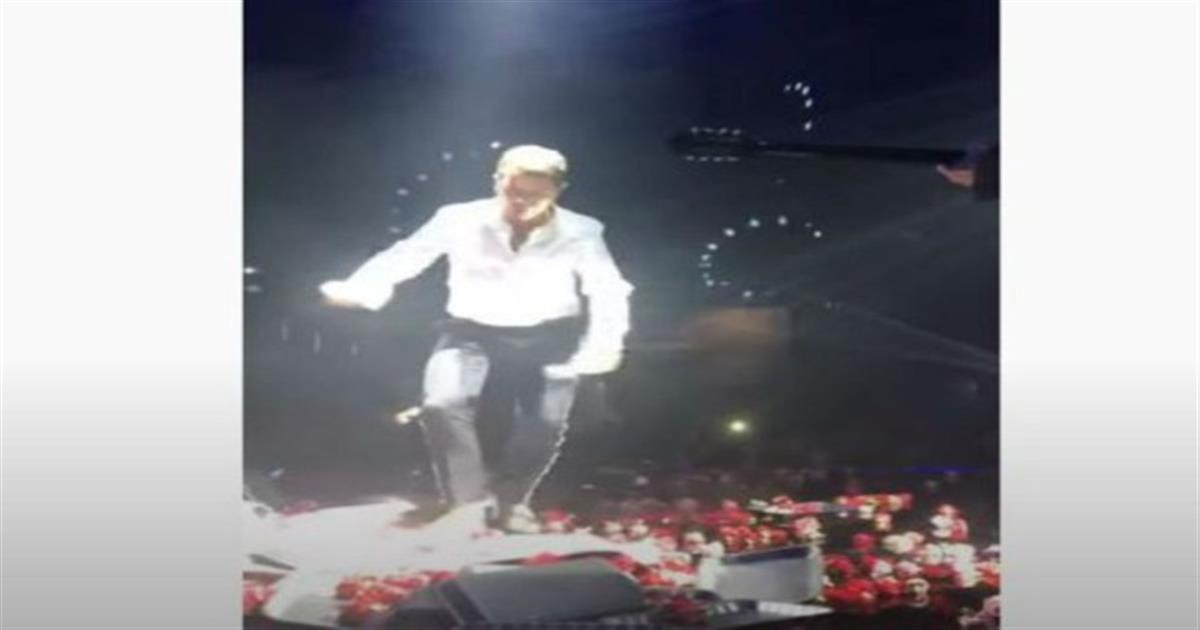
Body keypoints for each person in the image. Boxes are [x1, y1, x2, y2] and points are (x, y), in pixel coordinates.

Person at [320, 145, 634, 533]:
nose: (522, 203)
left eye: (535, 195)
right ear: (497, 182)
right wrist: (361, 288)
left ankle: (512, 501)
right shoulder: (459, 218)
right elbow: (409, 255)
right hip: (471, 330)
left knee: (545, 421)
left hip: (550, 336)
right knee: (442, 403)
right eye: (513, 191)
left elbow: (606, 288)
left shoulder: (581, 230)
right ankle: (466, 503)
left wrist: (605, 342)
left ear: (557, 191)